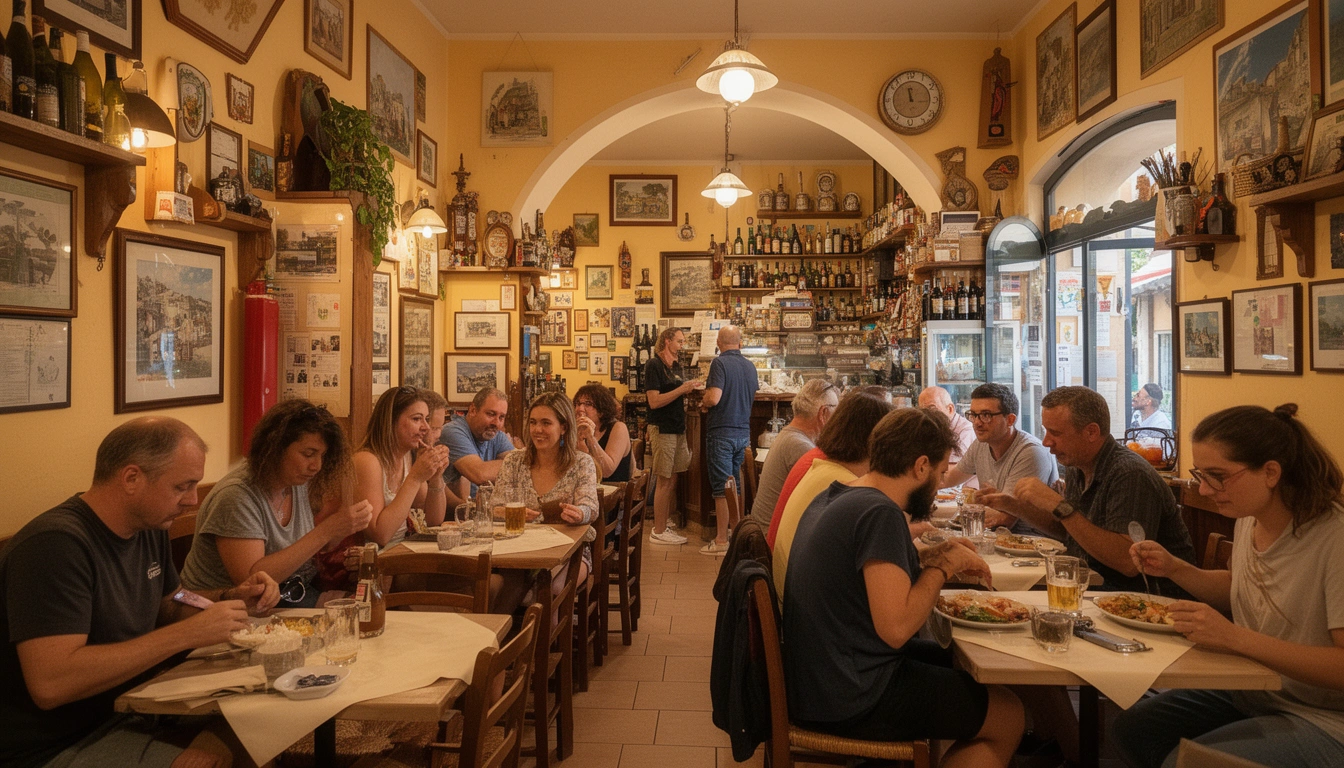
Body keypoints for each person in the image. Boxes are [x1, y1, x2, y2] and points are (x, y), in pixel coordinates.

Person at [0, 417, 280, 768]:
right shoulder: (55, 546)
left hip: (137, 705)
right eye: (182, 486)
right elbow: (51, 684)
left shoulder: (148, 525)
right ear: (131, 478)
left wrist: (227, 598)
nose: (193, 500)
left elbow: (170, 600)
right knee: (217, 757)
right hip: (54, 744)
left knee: (263, 719)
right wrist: (185, 635)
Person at [783, 408, 1023, 768]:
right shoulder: (881, 513)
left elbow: (873, 576)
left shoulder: (841, 494)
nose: (940, 484)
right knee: (1008, 715)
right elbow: (895, 629)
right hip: (852, 692)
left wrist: (936, 554)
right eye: (942, 473)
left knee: (961, 662)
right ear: (921, 466)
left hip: (820, 677)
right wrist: (944, 565)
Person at [1111, 404, 1344, 768]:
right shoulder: (1251, 517)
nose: (1204, 489)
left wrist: (1234, 637)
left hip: (1324, 717)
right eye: (1200, 475)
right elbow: (1244, 586)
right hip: (1259, 689)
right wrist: (1175, 569)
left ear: (1270, 472)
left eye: (1217, 476)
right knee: (1133, 729)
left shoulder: (1334, 537)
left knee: (1186, 762)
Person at [979, 386, 1195, 593]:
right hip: (1094, 587)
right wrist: (1014, 506)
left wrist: (1058, 505)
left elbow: (1128, 562)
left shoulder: (1129, 473)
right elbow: (1069, 531)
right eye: (1045, 431)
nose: (1046, 442)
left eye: (1055, 433)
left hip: (1148, 602)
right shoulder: (1078, 466)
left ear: (1091, 432)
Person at [180, 400, 373, 607]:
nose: (317, 465)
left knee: (368, 604)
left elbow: (307, 549)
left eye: (322, 456)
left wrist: (343, 536)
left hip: (294, 595)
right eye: (308, 454)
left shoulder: (295, 482)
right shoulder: (237, 496)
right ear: (275, 447)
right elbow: (253, 582)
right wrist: (327, 530)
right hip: (229, 609)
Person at [768, 391, 894, 595]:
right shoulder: (842, 484)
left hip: (791, 595)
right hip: (799, 611)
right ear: (874, 440)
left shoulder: (822, 465)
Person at [493, 392, 601, 589]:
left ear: (564, 427)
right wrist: (510, 514)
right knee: (500, 586)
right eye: (533, 422)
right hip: (518, 551)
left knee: (551, 588)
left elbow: (590, 507)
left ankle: (549, 619)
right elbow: (493, 508)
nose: (537, 430)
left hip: (569, 552)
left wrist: (579, 513)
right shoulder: (514, 461)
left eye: (546, 423)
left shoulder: (581, 462)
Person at [940, 383, 1058, 534]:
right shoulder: (980, 444)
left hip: (1032, 543)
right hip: (998, 539)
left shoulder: (1030, 452)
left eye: (986, 415)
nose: (977, 422)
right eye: (973, 415)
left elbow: (1005, 518)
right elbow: (949, 479)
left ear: (1010, 420)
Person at [353, 387, 452, 548]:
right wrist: (415, 477)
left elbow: (433, 520)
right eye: (417, 419)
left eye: (426, 419)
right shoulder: (367, 461)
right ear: (390, 421)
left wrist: (436, 477)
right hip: (369, 562)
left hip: (401, 552)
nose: (426, 427)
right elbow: (380, 535)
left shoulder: (406, 456)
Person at [700, 325, 759, 555]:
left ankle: (722, 540)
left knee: (722, 487)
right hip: (743, 433)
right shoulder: (750, 366)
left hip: (721, 433)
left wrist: (704, 401)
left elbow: (714, 397)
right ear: (740, 343)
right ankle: (737, 533)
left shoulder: (719, 363)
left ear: (718, 342)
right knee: (737, 485)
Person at [749, 379, 838, 527]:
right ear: (823, 413)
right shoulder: (800, 446)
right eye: (837, 411)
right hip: (769, 539)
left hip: (763, 532)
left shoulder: (790, 435)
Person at [645, 327, 700, 545]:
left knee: (674, 476)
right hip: (663, 427)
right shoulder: (654, 365)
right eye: (679, 341)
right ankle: (658, 531)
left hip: (677, 427)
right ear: (667, 341)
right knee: (664, 479)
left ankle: (664, 522)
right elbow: (654, 401)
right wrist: (681, 390)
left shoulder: (674, 366)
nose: (682, 345)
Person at [440, 387, 518, 497]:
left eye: (501, 417)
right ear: (473, 410)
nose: (496, 423)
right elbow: (479, 474)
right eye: (491, 414)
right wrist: (515, 463)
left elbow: (523, 467)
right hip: (453, 512)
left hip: (481, 508)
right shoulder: (452, 431)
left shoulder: (497, 435)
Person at [574, 383, 632, 484]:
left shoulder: (618, 428)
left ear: (602, 410)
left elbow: (606, 471)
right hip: (584, 489)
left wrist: (590, 438)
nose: (580, 409)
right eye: (578, 403)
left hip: (612, 493)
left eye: (588, 404)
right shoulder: (576, 429)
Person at [919, 386, 975, 463]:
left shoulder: (966, 430)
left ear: (950, 409)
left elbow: (949, 467)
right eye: (922, 410)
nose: (926, 414)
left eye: (931, 408)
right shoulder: (929, 427)